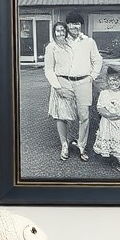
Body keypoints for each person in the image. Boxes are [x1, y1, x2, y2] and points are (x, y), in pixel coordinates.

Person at [50, 11, 103, 160]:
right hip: (64, 82)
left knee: (84, 116)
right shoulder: (60, 42)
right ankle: (64, 145)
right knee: (62, 116)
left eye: (78, 23)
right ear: (67, 25)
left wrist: (92, 76)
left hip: (83, 82)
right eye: (72, 23)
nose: (75, 26)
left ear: (81, 25)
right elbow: (51, 66)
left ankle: (81, 146)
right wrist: (56, 83)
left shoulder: (89, 42)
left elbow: (97, 60)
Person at [42, 22, 77, 161]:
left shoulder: (71, 45)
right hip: (60, 82)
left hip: (74, 82)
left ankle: (73, 139)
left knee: (74, 113)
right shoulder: (51, 47)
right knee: (61, 115)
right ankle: (64, 144)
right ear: (54, 32)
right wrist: (58, 87)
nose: (61, 33)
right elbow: (49, 70)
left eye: (63, 30)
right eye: (58, 31)